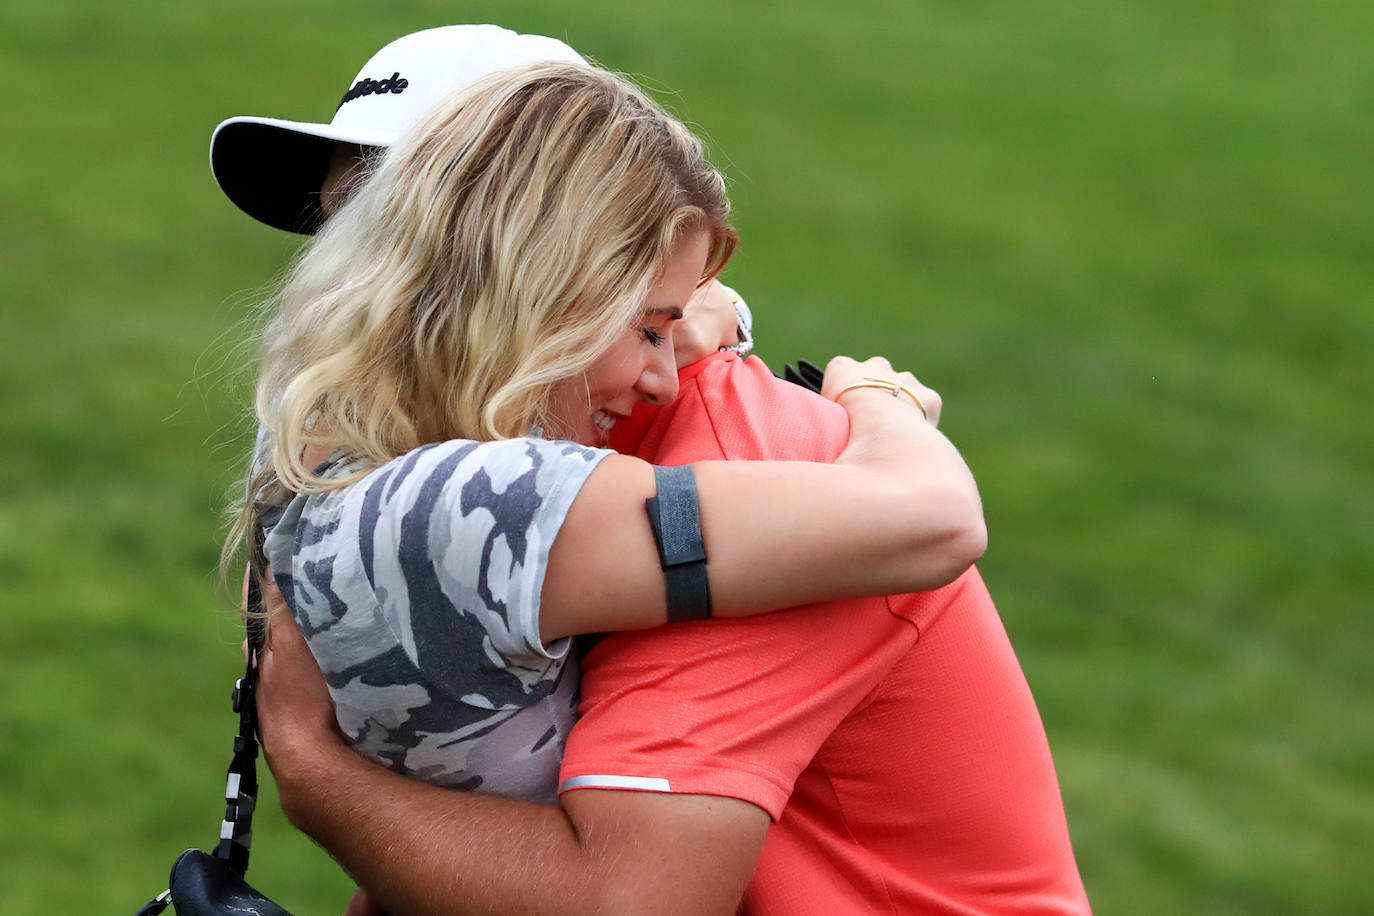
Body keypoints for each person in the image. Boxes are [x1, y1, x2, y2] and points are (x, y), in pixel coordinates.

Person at [219, 26, 1088, 914]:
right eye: (340, 226)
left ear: (519, 258)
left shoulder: (737, 465)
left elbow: (624, 899)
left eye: (384, 221)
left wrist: (322, 782)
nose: (347, 280)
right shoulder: (440, 474)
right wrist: (880, 401)